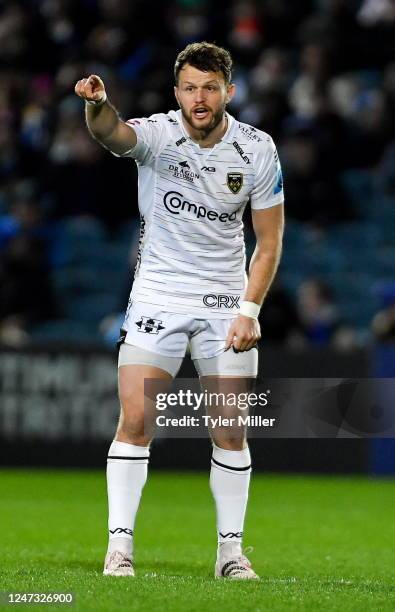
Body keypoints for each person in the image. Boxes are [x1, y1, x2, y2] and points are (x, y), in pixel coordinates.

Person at [75, 41, 284, 580]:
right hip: (158, 296)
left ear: (228, 92)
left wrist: (249, 309)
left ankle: (230, 554)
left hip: (223, 303)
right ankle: (119, 547)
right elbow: (110, 134)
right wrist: (97, 105)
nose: (199, 97)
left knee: (230, 429)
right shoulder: (159, 136)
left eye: (210, 88)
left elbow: (268, 242)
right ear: (177, 92)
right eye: (190, 87)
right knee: (137, 418)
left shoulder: (257, 150)